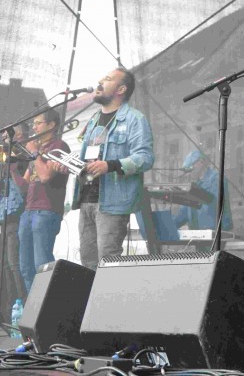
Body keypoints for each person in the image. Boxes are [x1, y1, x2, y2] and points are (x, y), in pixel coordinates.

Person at [57, 68, 155, 270]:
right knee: (88, 262)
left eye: (108, 79)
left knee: (108, 260)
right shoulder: (94, 119)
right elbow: (88, 159)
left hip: (112, 202)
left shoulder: (135, 119)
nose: (100, 81)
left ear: (121, 89)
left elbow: (145, 158)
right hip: (86, 199)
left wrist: (110, 165)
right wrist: (71, 166)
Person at [17, 110, 70, 292]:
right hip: (28, 211)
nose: (34, 127)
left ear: (51, 125)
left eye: (38, 123)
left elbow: (45, 176)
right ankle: (34, 305)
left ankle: (48, 304)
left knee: (42, 265)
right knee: (25, 267)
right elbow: (24, 185)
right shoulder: (37, 149)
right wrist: (12, 170)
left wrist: (34, 153)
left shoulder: (59, 146)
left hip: (46, 211)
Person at [1, 125, 30, 313]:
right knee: (5, 266)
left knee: (14, 264)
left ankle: (23, 307)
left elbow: (24, 187)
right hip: (3, 218)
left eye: (10, 135)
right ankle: (10, 309)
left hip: (17, 217)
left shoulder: (26, 156)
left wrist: (12, 169)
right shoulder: (5, 156)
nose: (6, 139)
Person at [172, 150, 232, 232]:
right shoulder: (195, 185)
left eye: (190, 167)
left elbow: (215, 204)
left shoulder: (216, 178)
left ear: (201, 162)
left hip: (217, 233)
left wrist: (194, 192)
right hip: (198, 234)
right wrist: (167, 226)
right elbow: (183, 213)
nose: (189, 173)